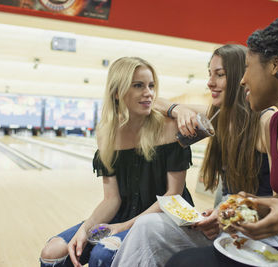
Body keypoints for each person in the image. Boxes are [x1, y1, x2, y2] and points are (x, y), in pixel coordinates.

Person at [166, 14, 278, 266]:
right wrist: (250, 207)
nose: (243, 79)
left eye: (248, 66)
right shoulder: (272, 125)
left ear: (275, 65)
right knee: (184, 262)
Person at [111, 44, 278, 267]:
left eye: (219, 74)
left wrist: (226, 212)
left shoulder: (265, 122)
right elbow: (156, 102)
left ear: (240, 76)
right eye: (210, 74)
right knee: (147, 225)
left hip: (260, 233)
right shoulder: (218, 116)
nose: (210, 82)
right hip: (226, 224)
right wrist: (177, 110)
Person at [39, 57, 194, 267]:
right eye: (138, 86)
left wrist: (123, 227)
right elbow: (112, 199)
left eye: (151, 85)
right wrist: (84, 229)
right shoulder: (107, 133)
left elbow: (172, 195)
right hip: (122, 213)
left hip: (161, 217)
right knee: (53, 253)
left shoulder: (168, 127)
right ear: (117, 92)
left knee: (102, 255)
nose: (148, 92)